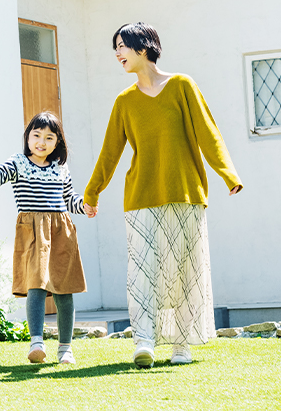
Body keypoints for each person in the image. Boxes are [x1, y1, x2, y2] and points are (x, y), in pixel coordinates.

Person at [84, 22, 243, 368]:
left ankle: (182, 345)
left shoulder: (182, 86)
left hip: (185, 192)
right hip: (141, 196)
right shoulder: (124, 102)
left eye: (122, 46)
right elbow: (110, 153)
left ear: (143, 47)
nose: (117, 54)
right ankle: (144, 340)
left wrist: (227, 173)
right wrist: (92, 193)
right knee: (142, 271)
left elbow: (207, 133)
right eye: (115, 48)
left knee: (185, 272)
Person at [0, 111, 94, 365]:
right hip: (32, 232)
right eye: (36, 135)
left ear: (58, 142)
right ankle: (37, 342)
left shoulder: (60, 168)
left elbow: (69, 199)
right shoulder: (18, 163)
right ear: (27, 137)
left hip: (60, 231)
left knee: (64, 290)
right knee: (35, 284)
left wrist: (85, 206)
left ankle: (65, 348)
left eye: (49, 137)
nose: (41, 142)